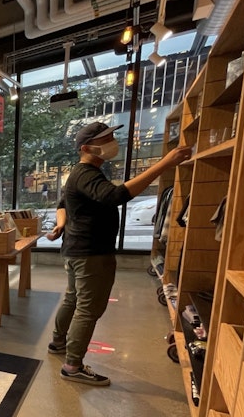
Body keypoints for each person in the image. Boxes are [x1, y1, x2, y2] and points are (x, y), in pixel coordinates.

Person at [48, 121, 192, 386]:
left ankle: (58, 343)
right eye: (106, 139)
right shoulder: (86, 173)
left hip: (77, 249)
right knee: (88, 309)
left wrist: (60, 223)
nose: (112, 142)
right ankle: (72, 365)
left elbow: (61, 203)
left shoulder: (80, 174)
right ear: (87, 147)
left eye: (111, 136)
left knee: (73, 300)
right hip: (91, 253)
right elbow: (114, 196)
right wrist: (164, 164)